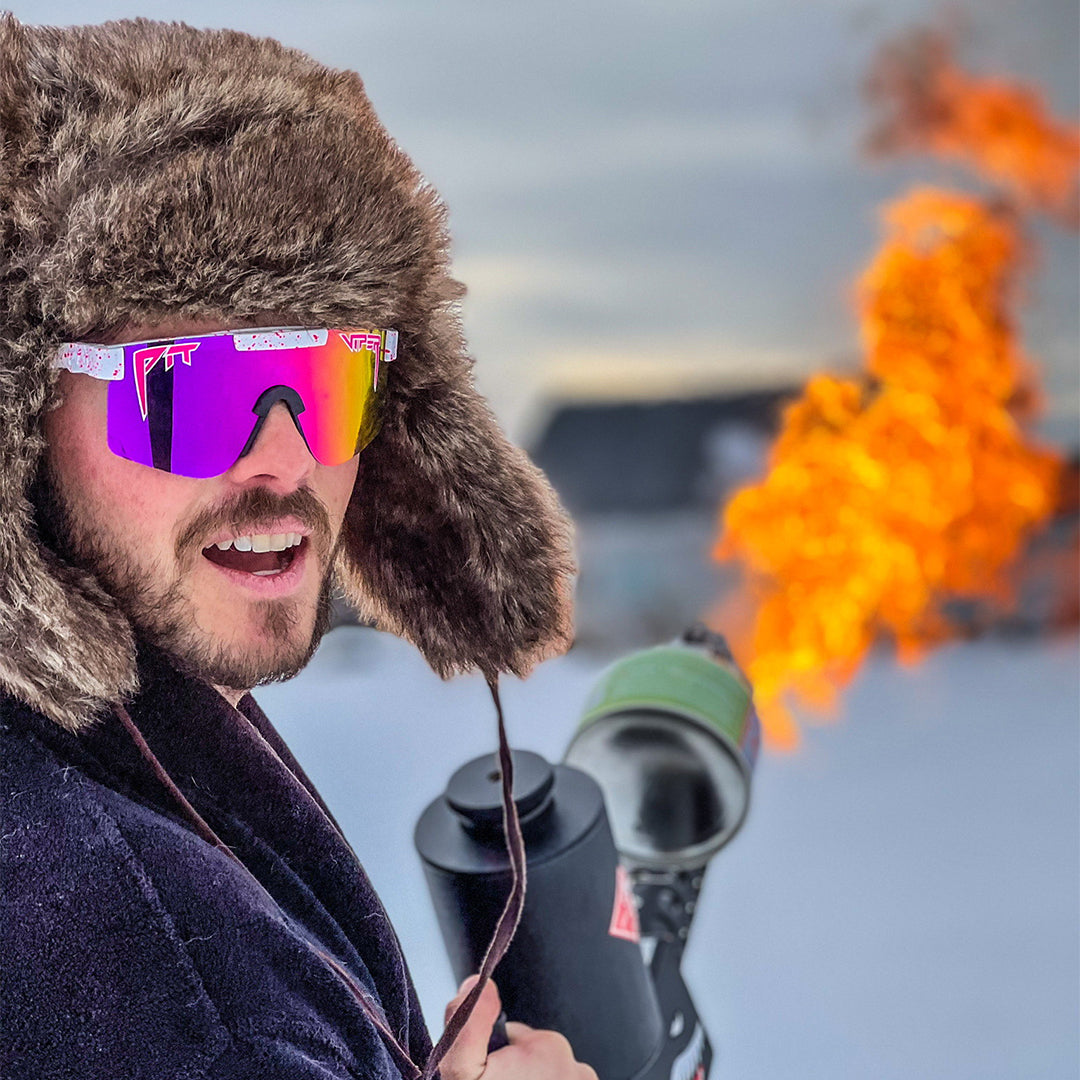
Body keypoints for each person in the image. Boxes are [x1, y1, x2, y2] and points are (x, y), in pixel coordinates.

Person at [0, 16, 592, 1080]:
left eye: (327, 383)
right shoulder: (178, 998)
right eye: (188, 390)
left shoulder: (120, 745)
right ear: (23, 418)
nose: (285, 463)